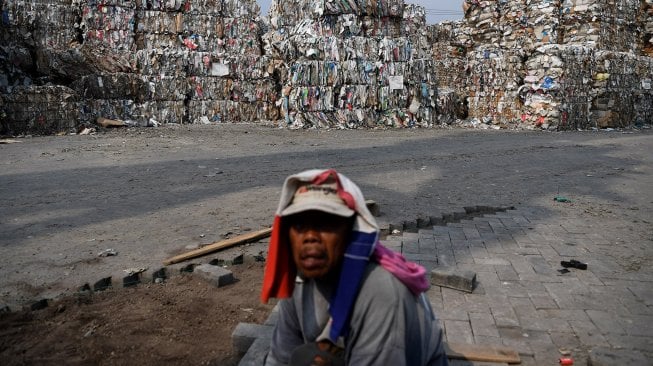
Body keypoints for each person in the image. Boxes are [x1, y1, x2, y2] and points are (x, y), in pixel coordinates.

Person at [261, 169, 448, 366]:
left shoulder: (381, 292)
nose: (310, 236)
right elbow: (280, 357)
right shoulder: (298, 284)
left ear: (351, 233)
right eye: (299, 226)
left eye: (326, 225)